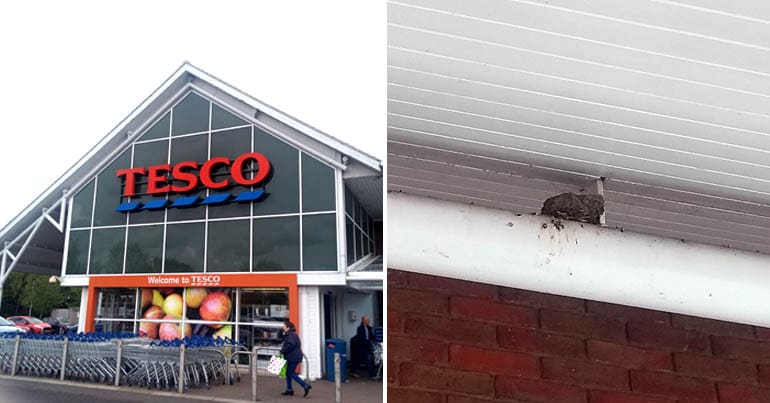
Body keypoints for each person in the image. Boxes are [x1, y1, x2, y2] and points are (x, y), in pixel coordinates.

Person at [280, 320, 311, 397]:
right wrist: (283, 334)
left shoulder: (291, 335)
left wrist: (283, 350)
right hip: (292, 356)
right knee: (288, 373)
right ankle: (289, 389)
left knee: (291, 373)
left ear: (288, 327)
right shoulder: (290, 334)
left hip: (293, 357)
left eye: (284, 326)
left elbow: (291, 344)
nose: (283, 328)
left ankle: (305, 385)